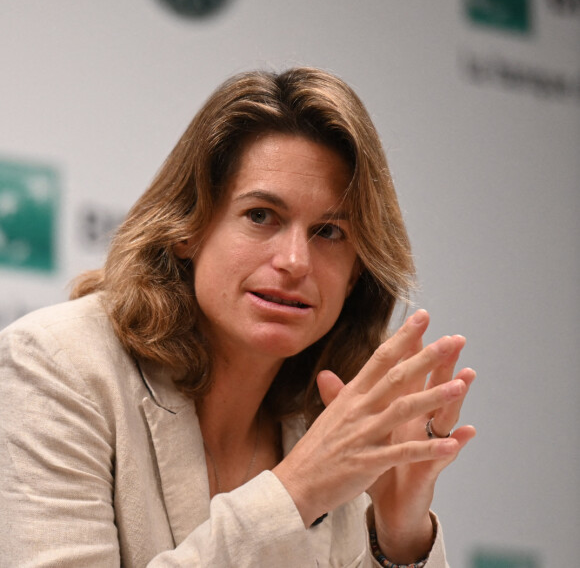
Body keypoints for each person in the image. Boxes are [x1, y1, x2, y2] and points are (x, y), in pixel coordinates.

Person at [0, 67, 476, 567]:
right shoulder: (54, 367)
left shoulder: (327, 420)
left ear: (358, 271)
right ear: (187, 227)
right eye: (261, 216)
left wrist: (398, 539)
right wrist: (293, 493)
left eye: (330, 232)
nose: (295, 260)